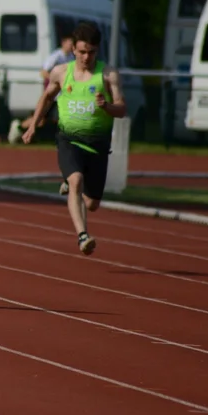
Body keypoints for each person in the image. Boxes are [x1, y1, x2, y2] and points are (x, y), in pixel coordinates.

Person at [20, 21, 126, 255]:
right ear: (73, 50)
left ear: (97, 51)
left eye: (91, 52)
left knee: (92, 204)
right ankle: (83, 235)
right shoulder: (61, 72)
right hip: (69, 140)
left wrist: (107, 106)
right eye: (81, 52)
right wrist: (34, 125)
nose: (86, 57)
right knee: (77, 180)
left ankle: (69, 183)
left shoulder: (108, 74)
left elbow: (122, 109)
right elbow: (47, 98)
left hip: (98, 145)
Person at [41, 33, 75, 193]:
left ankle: (69, 177)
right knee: (41, 120)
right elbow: (44, 72)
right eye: (70, 42)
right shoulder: (56, 57)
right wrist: (57, 80)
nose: (71, 45)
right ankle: (19, 127)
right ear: (63, 42)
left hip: (66, 99)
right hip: (54, 96)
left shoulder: (73, 59)